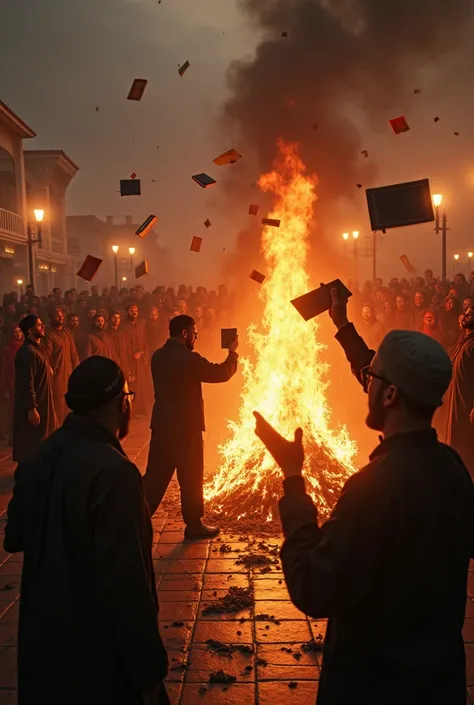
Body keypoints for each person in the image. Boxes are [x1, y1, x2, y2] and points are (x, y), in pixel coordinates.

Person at [253, 288, 474, 705]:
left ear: (389, 396)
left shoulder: (374, 489)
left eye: (372, 379)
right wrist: (341, 324)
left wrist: (294, 479)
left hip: (373, 686)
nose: (365, 382)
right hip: (439, 685)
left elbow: (312, 587)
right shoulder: (453, 470)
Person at [4, 356, 169, 705]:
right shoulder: (117, 475)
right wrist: (149, 673)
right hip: (96, 667)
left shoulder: (39, 458)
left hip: (43, 657)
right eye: (129, 396)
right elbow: (128, 586)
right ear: (119, 403)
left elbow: (14, 535)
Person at [143, 314, 239, 539]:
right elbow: (221, 373)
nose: (196, 337)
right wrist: (232, 352)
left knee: (154, 478)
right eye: (194, 333)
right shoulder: (189, 359)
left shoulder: (158, 356)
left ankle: (132, 519)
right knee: (191, 478)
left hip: (163, 427)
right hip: (187, 430)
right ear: (184, 333)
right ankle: (194, 525)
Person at [12, 315, 58, 463]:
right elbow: (26, 382)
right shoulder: (28, 352)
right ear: (30, 330)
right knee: (33, 441)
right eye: (39, 325)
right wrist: (32, 407)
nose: (43, 326)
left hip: (44, 401)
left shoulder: (37, 350)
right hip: (37, 404)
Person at [443, 304, 474, 477]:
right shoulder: (463, 341)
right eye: (464, 314)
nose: (464, 317)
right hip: (456, 399)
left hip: (467, 405)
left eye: (470, 315)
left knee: (465, 446)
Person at [44, 307, 80, 423]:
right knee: (59, 404)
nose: (60, 318)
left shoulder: (67, 333)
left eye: (62, 315)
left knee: (70, 403)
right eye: (57, 315)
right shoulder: (49, 335)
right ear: (51, 318)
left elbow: (74, 354)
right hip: (57, 376)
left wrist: (77, 371)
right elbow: (46, 356)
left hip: (69, 374)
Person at [122, 303, 148, 416]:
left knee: (140, 385)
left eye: (136, 311)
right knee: (130, 385)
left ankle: (140, 409)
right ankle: (130, 411)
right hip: (128, 358)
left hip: (139, 359)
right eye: (132, 310)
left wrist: (142, 353)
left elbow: (145, 341)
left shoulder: (140, 325)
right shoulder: (123, 327)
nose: (134, 313)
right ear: (127, 311)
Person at [0, 325, 23, 443]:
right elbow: (4, 371)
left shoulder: (25, 347)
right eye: (15, 332)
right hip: (13, 385)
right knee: (13, 413)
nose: (18, 334)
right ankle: (13, 437)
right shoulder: (7, 350)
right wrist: (5, 389)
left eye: (19, 331)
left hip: (24, 384)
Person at [104, 311, 130, 375]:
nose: (116, 320)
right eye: (114, 318)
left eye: (118, 318)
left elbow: (127, 350)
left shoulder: (123, 333)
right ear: (109, 319)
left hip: (124, 365)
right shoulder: (105, 334)